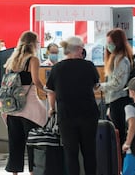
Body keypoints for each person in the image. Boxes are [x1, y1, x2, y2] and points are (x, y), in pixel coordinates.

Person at [45, 36, 100, 175]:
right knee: (89, 151)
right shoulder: (89, 66)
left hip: (66, 115)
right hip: (88, 115)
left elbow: (51, 92)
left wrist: (52, 108)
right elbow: (96, 87)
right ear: (80, 49)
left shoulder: (57, 68)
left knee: (71, 153)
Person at [2, 31, 47, 175]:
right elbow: (36, 81)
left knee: (15, 142)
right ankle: (33, 171)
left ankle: (14, 172)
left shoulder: (11, 60)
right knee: (33, 141)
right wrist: (48, 90)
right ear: (33, 44)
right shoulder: (32, 60)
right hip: (29, 107)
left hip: (12, 107)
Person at [99, 28, 134, 147]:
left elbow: (118, 83)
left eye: (111, 43)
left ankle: (119, 162)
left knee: (118, 135)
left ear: (118, 42)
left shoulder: (121, 60)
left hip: (119, 101)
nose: (108, 46)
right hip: (114, 100)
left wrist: (100, 86)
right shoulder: (116, 58)